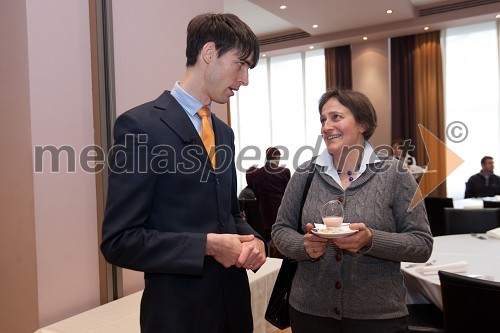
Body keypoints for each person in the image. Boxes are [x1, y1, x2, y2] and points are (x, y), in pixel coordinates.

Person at [100, 13, 266, 333]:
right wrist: (208, 245)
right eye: (241, 64)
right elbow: (120, 241)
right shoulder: (141, 127)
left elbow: (230, 214)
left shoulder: (223, 133)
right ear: (208, 53)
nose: (245, 79)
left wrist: (255, 240)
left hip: (234, 310)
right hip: (178, 317)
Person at [271, 89, 433, 333]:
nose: (326, 126)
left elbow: (422, 244)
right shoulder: (305, 172)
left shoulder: (395, 174)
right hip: (310, 312)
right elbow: (280, 230)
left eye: (336, 117)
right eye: (323, 120)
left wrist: (371, 240)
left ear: (363, 124)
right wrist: (303, 246)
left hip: (378, 316)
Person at [252, 147, 291, 242]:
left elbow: (256, 193)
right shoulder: (284, 171)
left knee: (267, 238)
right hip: (280, 210)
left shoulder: (257, 173)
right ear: (277, 157)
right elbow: (289, 193)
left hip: (264, 211)